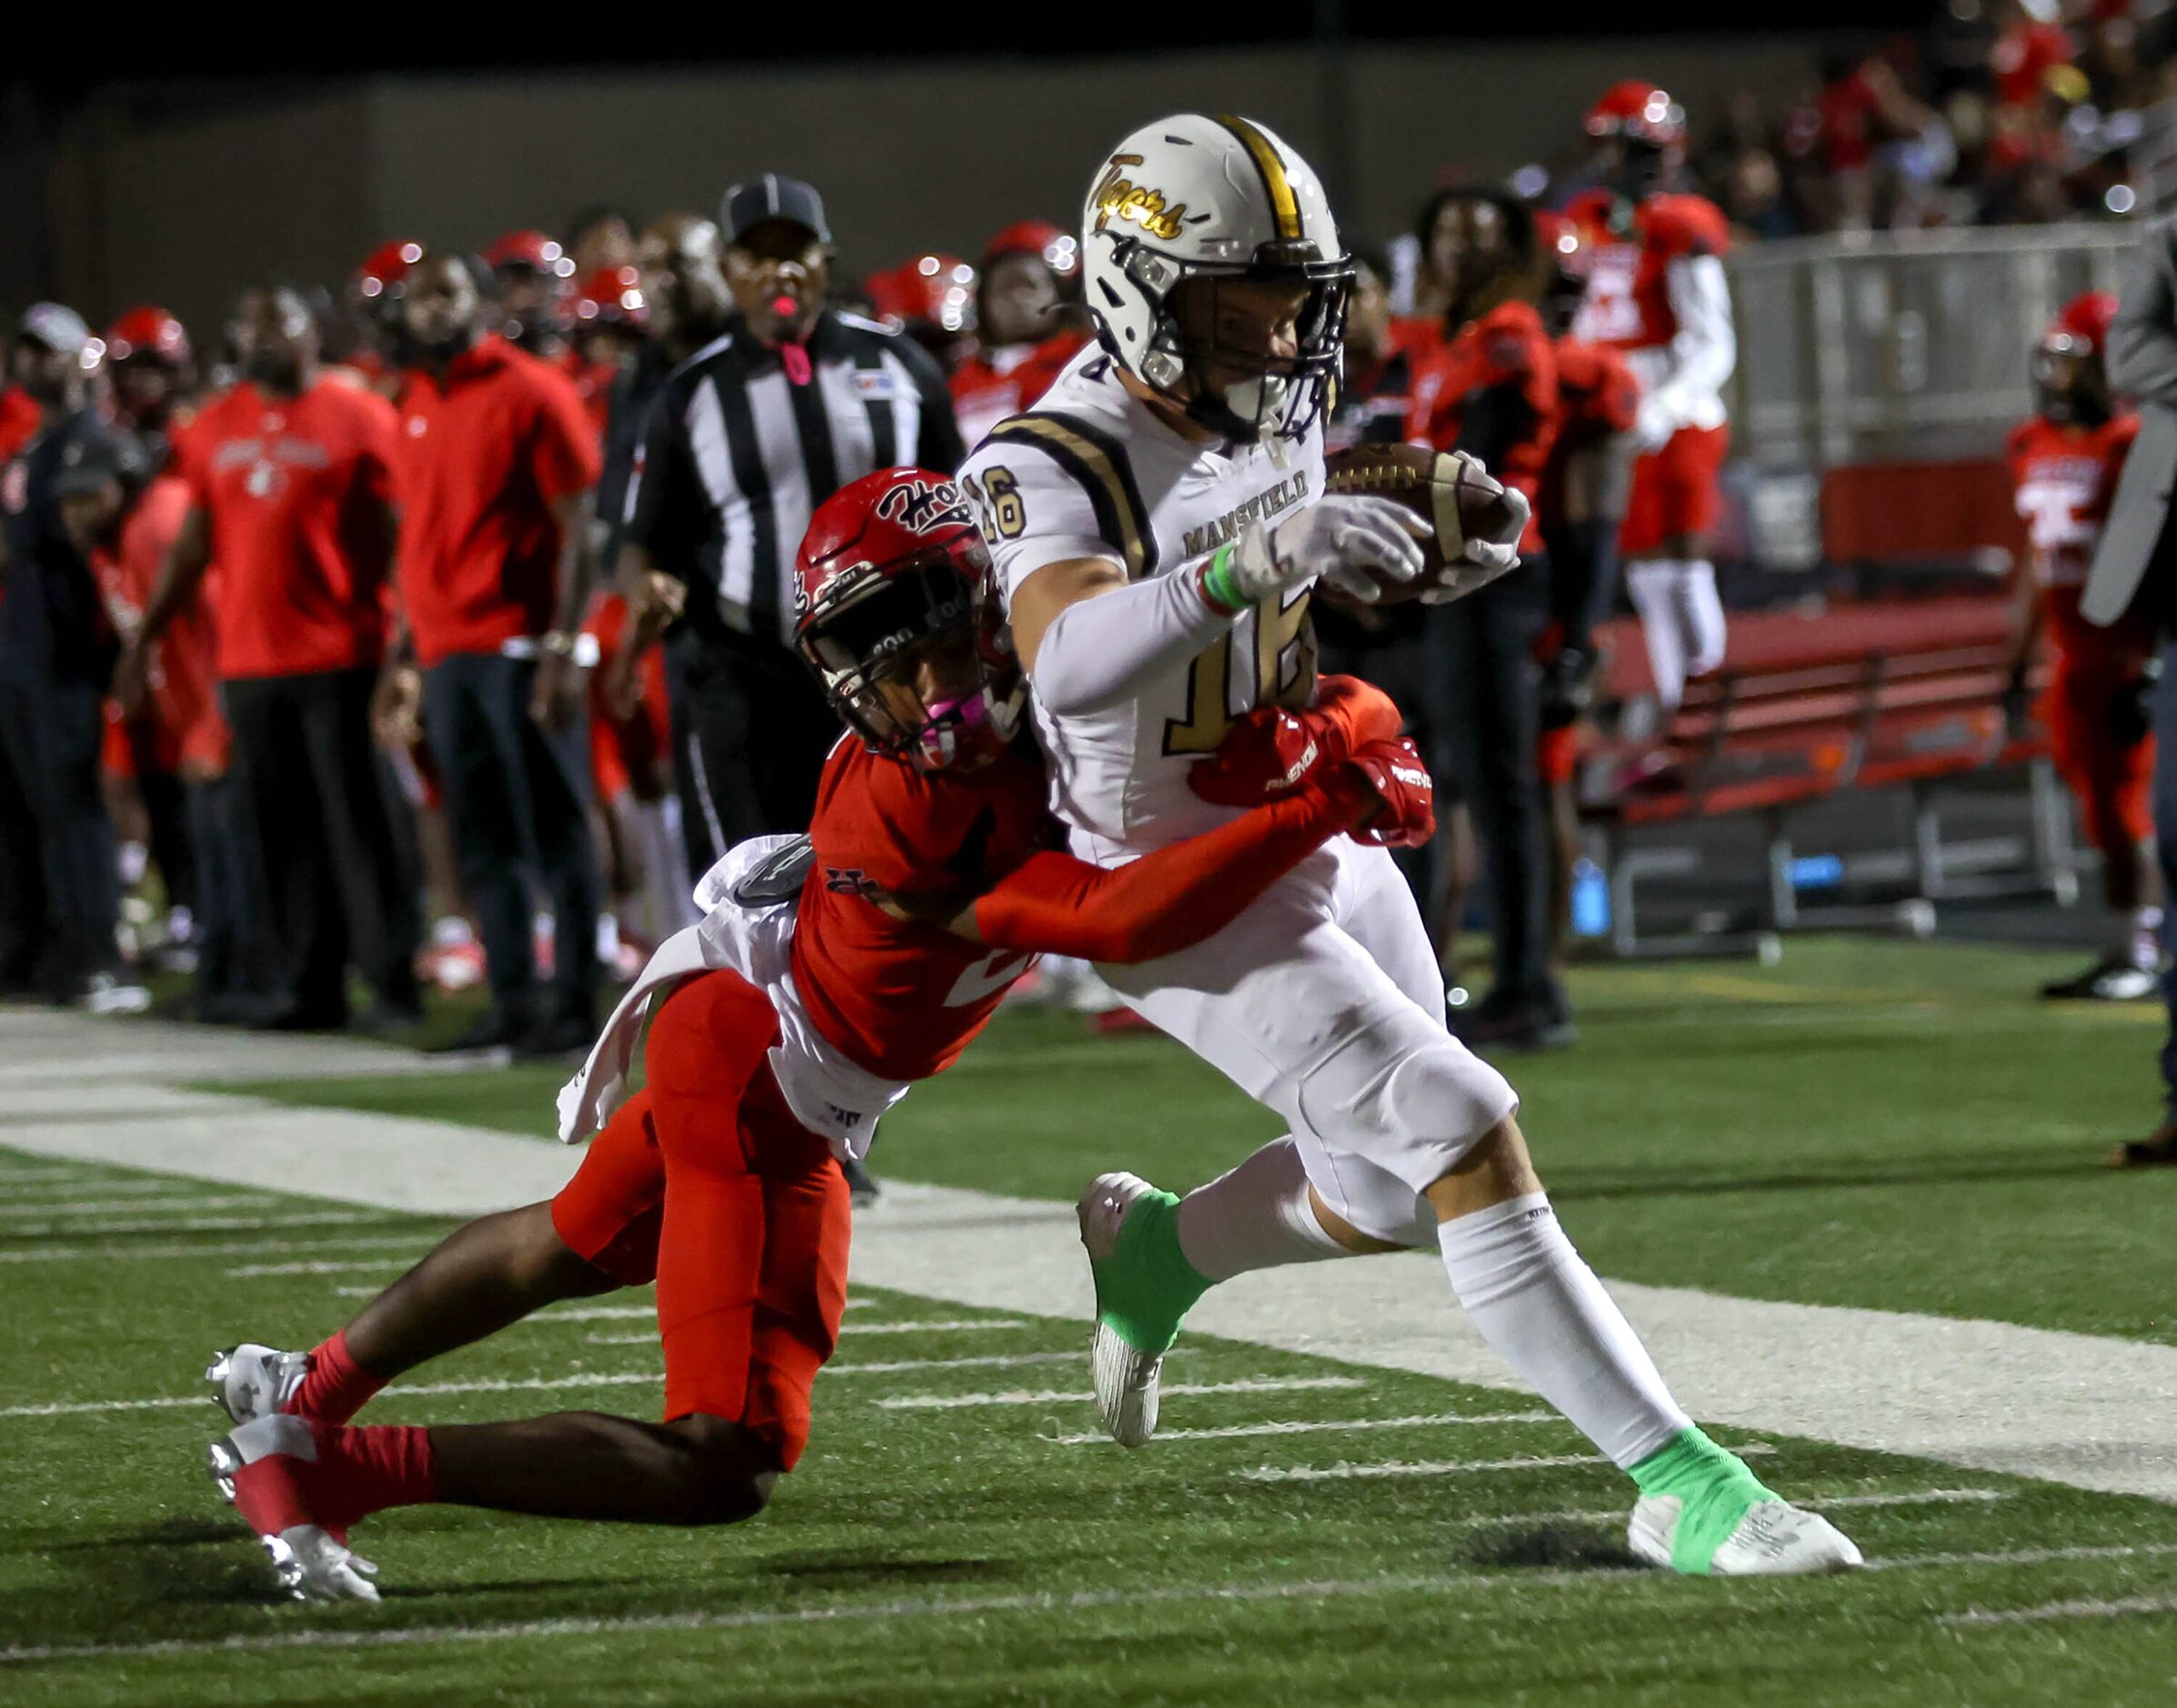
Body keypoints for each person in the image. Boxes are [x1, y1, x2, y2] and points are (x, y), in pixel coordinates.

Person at [196, 466, 1431, 1601]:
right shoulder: (915, 806)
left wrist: (1340, 697)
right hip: (772, 1090)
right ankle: (321, 1469)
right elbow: (1107, 916)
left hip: (740, 1037)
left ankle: (301, 1387)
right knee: (722, 1458)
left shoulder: (1057, 696)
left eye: (945, 642)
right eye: (888, 664)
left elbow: (1228, 668)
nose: (929, 688)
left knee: (573, 1240)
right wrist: (1321, 791)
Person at [958, 112, 1858, 1576]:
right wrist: (1270, 549)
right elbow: (1065, 658)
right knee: (1455, 1121)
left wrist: (1427, 544)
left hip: (1293, 808)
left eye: (1293, 294)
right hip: (1160, 870)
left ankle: (1158, 1252)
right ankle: (1679, 1480)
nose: (1277, 328)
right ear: (1137, 287)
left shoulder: (1271, 401)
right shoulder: (1047, 451)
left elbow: (1284, 581)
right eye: (1237, 297)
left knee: (1379, 1186)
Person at [608, 174, 965, 886]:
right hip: (748, 670)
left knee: (894, 872)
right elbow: (641, 542)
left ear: (826, 262)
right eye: (758, 255)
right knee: (757, 879)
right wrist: (646, 585)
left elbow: (958, 506)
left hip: (889, 663)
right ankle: (765, 1002)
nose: (779, 270)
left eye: (795, 251)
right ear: (729, 272)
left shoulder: (896, 363)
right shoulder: (691, 394)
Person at [122, 285, 423, 1031]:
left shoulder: (359, 415)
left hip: (341, 651)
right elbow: (195, 538)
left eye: (278, 325)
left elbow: (399, 537)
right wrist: (147, 635)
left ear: (309, 334)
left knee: (359, 830)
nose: (265, 340)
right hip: (251, 661)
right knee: (280, 835)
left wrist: (403, 648)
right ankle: (308, 984)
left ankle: (392, 983)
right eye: (251, 327)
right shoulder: (213, 425)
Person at [371, 251, 605, 1055]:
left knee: (557, 831)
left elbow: (582, 527)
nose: (429, 310)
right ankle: (514, 1000)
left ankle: (577, 1006)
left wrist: (566, 648)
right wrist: (402, 659)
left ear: (480, 303)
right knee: (483, 838)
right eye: (417, 297)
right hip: (445, 653)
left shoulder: (532, 389)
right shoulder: (414, 399)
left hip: (518, 645)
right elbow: (416, 538)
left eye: (445, 293)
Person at [1406, 188, 1567, 1048]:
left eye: (1478, 232)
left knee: (1502, 787)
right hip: (1456, 576)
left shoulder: (1506, 332)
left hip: (1491, 572)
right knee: (1471, 780)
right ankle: (1510, 976)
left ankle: (1528, 984)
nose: (1459, 248)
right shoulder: (1455, 336)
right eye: (1446, 231)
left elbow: (1479, 468)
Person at [1566, 82, 1737, 714]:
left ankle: (1707, 708)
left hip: (1676, 410)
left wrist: (1663, 406)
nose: (1641, 162)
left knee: (1685, 566)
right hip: (1611, 411)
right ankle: (1677, 710)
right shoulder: (1584, 220)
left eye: (1649, 148)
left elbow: (1714, 342)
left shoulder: (1680, 224)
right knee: (1644, 575)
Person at [2005, 292, 2157, 1004]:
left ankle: (2142, 949)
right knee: (2100, 808)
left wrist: (2149, 657)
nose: (2056, 372)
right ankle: (2127, 944)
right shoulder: (2030, 442)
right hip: (2069, 659)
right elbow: (2038, 562)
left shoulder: (2133, 444)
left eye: (2072, 357)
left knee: (2129, 809)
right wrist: (2017, 659)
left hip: (2121, 654)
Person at [0, 304, 145, 1011]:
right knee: (31, 808)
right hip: (22, 649)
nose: (34, 366)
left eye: (47, 352)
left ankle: (99, 952)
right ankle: (47, 948)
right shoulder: (33, 447)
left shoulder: (94, 440)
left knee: (74, 803)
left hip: (66, 649)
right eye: (26, 352)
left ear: (79, 359)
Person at [948, 221, 1091, 446]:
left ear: (1059, 294)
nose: (1015, 298)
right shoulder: (961, 379)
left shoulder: (1085, 359)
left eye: (1027, 285)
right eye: (1003, 288)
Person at [485, 229, 576, 359]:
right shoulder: (478, 338)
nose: (521, 291)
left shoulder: (562, 350)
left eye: (532, 281)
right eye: (511, 280)